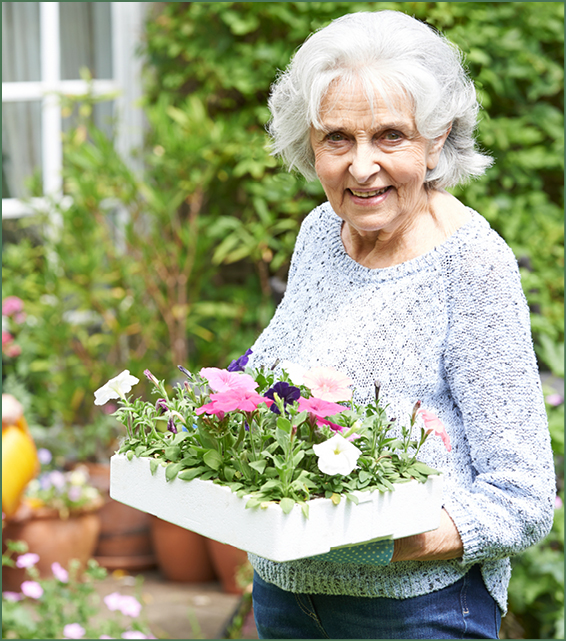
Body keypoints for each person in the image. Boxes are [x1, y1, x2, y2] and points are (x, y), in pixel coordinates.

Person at [245, 10, 556, 640]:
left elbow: (521, 501)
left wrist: (373, 541)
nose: (361, 167)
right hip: (283, 599)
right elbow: (274, 382)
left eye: (390, 136)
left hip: (414, 615)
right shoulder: (320, 234)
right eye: (337, 139)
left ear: (436, 139)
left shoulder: (470, 264)